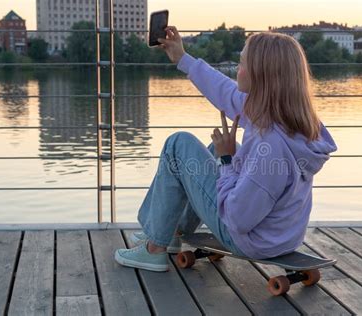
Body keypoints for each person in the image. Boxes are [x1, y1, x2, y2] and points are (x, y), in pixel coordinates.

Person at [114, 26, 337, 272]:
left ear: (262, 75)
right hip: (279, 236)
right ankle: (171, 231)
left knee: (178, 144)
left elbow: (238, 218)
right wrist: (182, 58)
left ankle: (154, 248)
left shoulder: (270, 145)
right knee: (212, 150)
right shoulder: (283, 117)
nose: (236, 70)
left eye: (241, 64)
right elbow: (225, 91)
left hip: (250, 239)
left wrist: (229, 160)